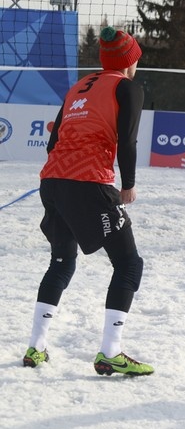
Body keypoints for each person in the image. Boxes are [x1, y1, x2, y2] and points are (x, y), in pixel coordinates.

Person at [23, 26, 153, 376]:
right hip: (89, 183)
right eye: (136, 58)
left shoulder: (78, 86)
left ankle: (36, 347)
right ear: (129, 62)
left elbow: (53, 144)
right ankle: (110, 352)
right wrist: (129, 184)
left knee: (62, 262)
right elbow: (127, 142)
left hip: (52, 180)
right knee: (129, 264)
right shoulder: (127, 87)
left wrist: (61, 176)